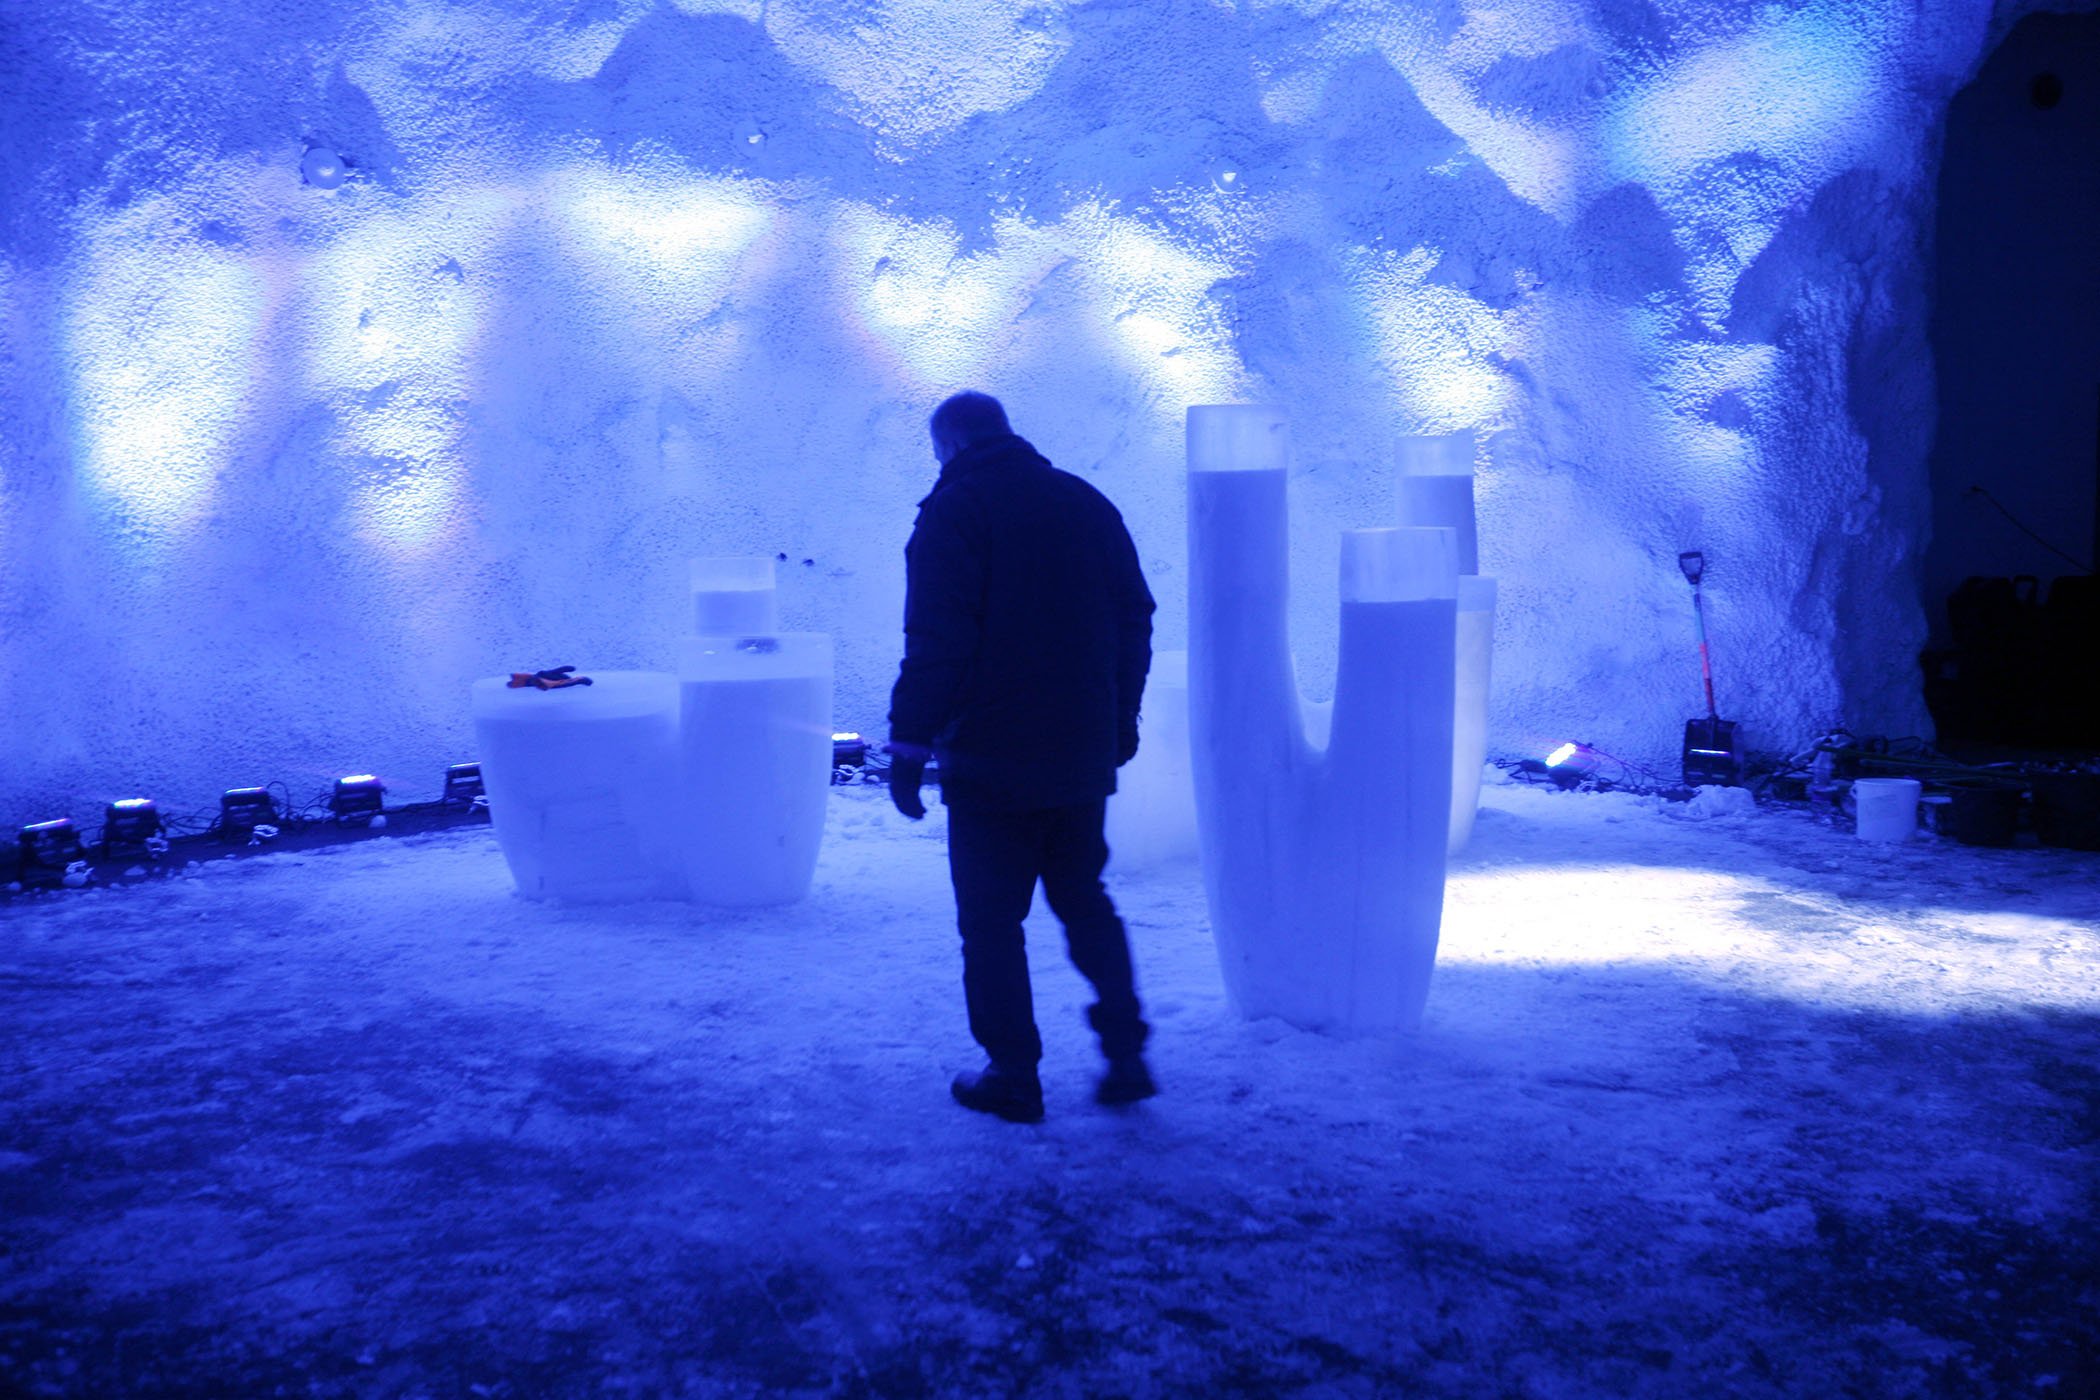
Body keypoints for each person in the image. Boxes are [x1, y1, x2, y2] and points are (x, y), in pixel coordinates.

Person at [887, 391, 1157, 1124]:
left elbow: (938, 640)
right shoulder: (1086, 502)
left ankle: (1013, 1073)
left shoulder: (955, 512)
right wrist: (1119, 715)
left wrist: (909, 742)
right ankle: (1127, 1053)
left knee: (992, 922)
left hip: (990, 757)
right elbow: (1136, 618)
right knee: (1084, 900)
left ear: (947, 446)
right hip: (1077, 750)